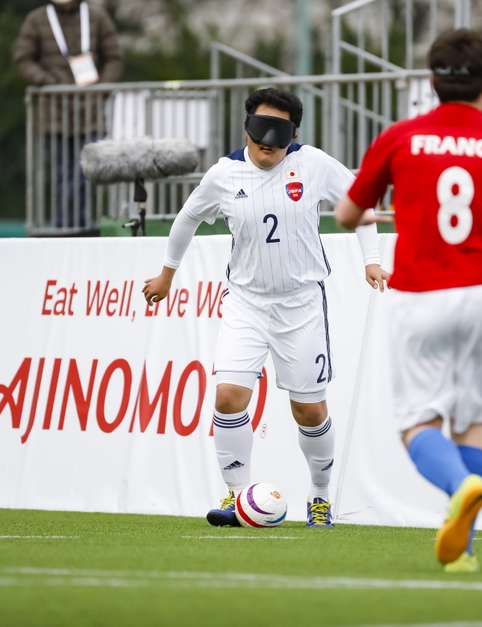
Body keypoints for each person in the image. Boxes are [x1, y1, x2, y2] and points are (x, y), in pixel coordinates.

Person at [335, 29, 482, 572]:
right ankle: (461, 550)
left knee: (418, 424)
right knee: (471, 423)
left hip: (423, 295)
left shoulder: (400, 137)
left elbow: (347, 215)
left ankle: (461, 486)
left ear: (432, 82)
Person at [142, 87, 389, 529]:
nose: (268, 141)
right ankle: (239, 498)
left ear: (293, 134)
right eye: (260, 129)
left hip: (301, 306)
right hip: (246, 304)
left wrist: (371, 260)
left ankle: (319, 497)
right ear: (246, 128)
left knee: (309, 411)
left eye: (280, 132)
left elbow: (360, 203)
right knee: (229, 396)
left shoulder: (312, 164)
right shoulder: (223, 174)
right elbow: (187, 218)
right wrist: (167, 274)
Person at [13, 0, 123, 228]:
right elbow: (22, 59)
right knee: (63, 178)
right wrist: (47, 82)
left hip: (91, 114)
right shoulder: (36, 19)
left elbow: (114, 57)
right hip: (53, 114)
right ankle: (72, 229)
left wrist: (102, 87)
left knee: (88, 173)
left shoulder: (97, 16)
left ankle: (66, 227)